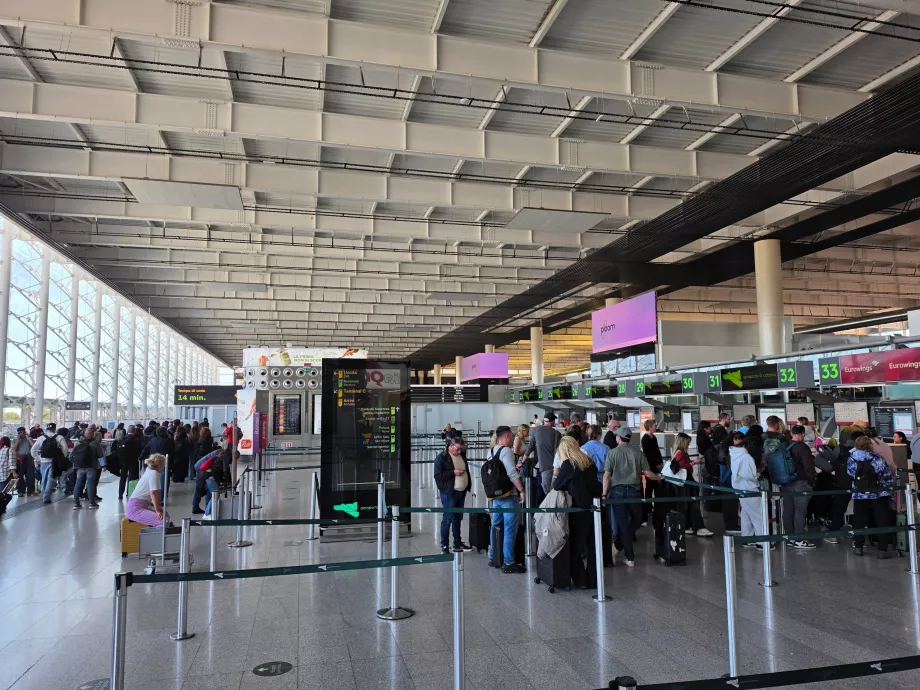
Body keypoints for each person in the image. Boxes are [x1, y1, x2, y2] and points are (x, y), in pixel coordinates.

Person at [603, 427, 663, 567]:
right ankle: (629, 555)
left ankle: (622, 550)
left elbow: (607, 476)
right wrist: (659, 478)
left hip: (617, 492)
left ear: (619, 438)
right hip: (635, 491)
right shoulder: (638, 452)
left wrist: (604, 494)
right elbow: (648, 473)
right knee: (637, 519)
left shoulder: (612, 453)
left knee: (623, 524)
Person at [552, 436, 602, 588]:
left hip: (577, 511)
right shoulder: (589, 462)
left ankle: (581, 580)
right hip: (594, 509)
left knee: (575, 548)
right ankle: (593, 580)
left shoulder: (569, 464)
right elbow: (595, 487)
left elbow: (556, 485)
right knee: (593, 547)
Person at [847, 435, 896, 558]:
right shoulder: (877, 458)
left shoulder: (851, 458)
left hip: (859, 493)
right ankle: (882, 550)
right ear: (870, 445)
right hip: (878, 493)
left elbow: (850, 473)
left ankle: (858, 547)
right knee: (881, 520)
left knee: (859, 520)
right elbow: (886, 474)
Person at [488, 426, 526, 574]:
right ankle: (509, 562)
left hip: (496, 495)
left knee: (495, 525)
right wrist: (521, 490)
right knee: (510, 529)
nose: (512, 439)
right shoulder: (506, 451)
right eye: (511, 436)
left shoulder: (491, 451)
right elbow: (511, 472)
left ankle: (493, 556)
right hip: (509, 495)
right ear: (506, 437)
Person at [729, 433, 771, 550]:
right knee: (758, 515)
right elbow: (750, 475)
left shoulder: (735, 453)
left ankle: (747, 538)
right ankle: (762, 542)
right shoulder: (746, 457)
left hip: (739, 487)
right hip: (749, 488)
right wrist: (758, 473)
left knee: (746, 513)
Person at [433, 436, 472, 553]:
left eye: (461, 449)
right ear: (451, 446)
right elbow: (438, 476)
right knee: (447, 519)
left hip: (461, 492)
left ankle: (457, 543)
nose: (459, 451)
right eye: (458, 449)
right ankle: (444, 546)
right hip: (450, 493)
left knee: (457, 519)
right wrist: (453, 473)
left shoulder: (461, 455)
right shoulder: (442, 458)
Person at [783, 425, 817, 549]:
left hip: (786, 483)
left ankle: (789, 538)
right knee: (800, 511)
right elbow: (809, 467)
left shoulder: (785, 446)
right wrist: (811, 481)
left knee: (788, 511)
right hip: (800, 483)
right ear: (802, 434)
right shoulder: (803, 448)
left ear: (792, 434)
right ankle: (799, 539)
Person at [672, 432, 713, 537]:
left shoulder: (677, 452)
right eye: (687, 443)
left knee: (687, 505)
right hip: (686, 482)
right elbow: (681, 466)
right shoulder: (681, 453)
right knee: (693, 504)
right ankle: (699, 527)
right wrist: (693, 463)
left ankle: (687, 525)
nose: (688, 445)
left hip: (684, 483)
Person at [524, 413, 562, 496]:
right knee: (552, 491)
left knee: (542, 490)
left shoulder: (535, 431)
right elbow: (561, 450)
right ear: (552, 422)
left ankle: (542, 507)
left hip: (540, 467)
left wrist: (522, 461)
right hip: (553, 466)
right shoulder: (557, 434)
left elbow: (530, 447)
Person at [126, 454, 169, 527]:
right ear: (159, 465)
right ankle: (156, 538)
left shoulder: (149, 471)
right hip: (135, 509)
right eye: (163, 464)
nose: (164, 466)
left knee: (165, 515)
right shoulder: (154, 473)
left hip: (136, 505)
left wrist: (158, 509)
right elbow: (154, 493)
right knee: (163, 521)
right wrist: (158, 510)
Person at [32, 423, 68, 505]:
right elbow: (65, 449)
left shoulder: (41, 438)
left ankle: (43, 494)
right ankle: (46, 497)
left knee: (44, 478)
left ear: (47, 429)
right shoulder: (59, 437)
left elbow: (33, 450)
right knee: (51, 479)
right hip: (54, 461)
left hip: (44, 461)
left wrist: (38, 459)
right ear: (55, 429)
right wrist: (61, 459)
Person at [71, 429, 102, 510]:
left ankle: (76, 503)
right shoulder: (95, 443)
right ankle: (92, 503)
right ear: (93, 435)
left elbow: (71, 456)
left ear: (84, 434)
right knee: (90, 484)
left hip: (80, 467)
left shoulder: (78, 443)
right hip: (91, 467)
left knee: (78, 484)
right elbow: (100, 455)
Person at [640, 420, 663, 524]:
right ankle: (648, 507)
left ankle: (655, 506)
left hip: (656, 465)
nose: (655, 427)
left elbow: (657, 451)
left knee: (656, 486)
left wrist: (661, 462)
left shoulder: (654, 438)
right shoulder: (645, 439)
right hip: (650, 466)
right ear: (650, 427)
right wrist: (656, 464)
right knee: (649, 487)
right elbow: (648, 455)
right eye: (654, 426)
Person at [117, 425, 143, 500]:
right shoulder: (136, 440)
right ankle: (129, 493)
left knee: (123, 477)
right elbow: (139, 451)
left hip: (123, 462)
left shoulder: (123, 439)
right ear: (134, 431)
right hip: (133, 462)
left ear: (128, 431)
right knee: (132, 478)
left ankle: (120, 494)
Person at [13, 427, 35, 496]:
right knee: (20, 475)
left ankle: (30, 491)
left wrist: (29, 439)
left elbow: (34, 447)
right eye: (20, 433)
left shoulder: (29, 439)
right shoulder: (15, 440)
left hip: (28, 457)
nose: (21, 434)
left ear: (25, 432)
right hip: (20, 458)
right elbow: (14, 449)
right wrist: (17, 440)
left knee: (30, 475)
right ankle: (20, 491)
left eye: (23, 432)